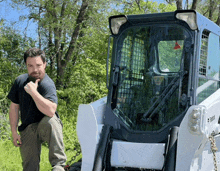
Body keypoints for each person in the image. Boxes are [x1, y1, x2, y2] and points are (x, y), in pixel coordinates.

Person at [7, 47, 67, 171]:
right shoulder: (20, 81)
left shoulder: (47, 84)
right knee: (29, 168)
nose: (35, 70)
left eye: (38, 65)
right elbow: (14, 106)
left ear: (44, 64)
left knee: (52, 121)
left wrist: (34, 93)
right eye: (30, 66)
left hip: (45, 126)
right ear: (26, 65)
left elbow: (50, 111)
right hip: (28, 127)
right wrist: (14, 132)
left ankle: (59, 166)